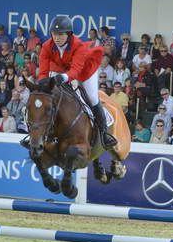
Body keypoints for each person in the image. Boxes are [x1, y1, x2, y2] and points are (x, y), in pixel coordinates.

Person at [36, 16, 117, 149]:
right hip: (62, 69)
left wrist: (62, 78)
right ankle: (38, 135)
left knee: (92, 98)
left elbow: (75, 71)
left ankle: (104, 134)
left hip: (85, 72)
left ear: (69, 34)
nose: (57, 38)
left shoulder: (78, 45)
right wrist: (42, 85)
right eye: (54, 34)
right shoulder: (46, 46)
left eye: (60, 34)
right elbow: (43, 72)